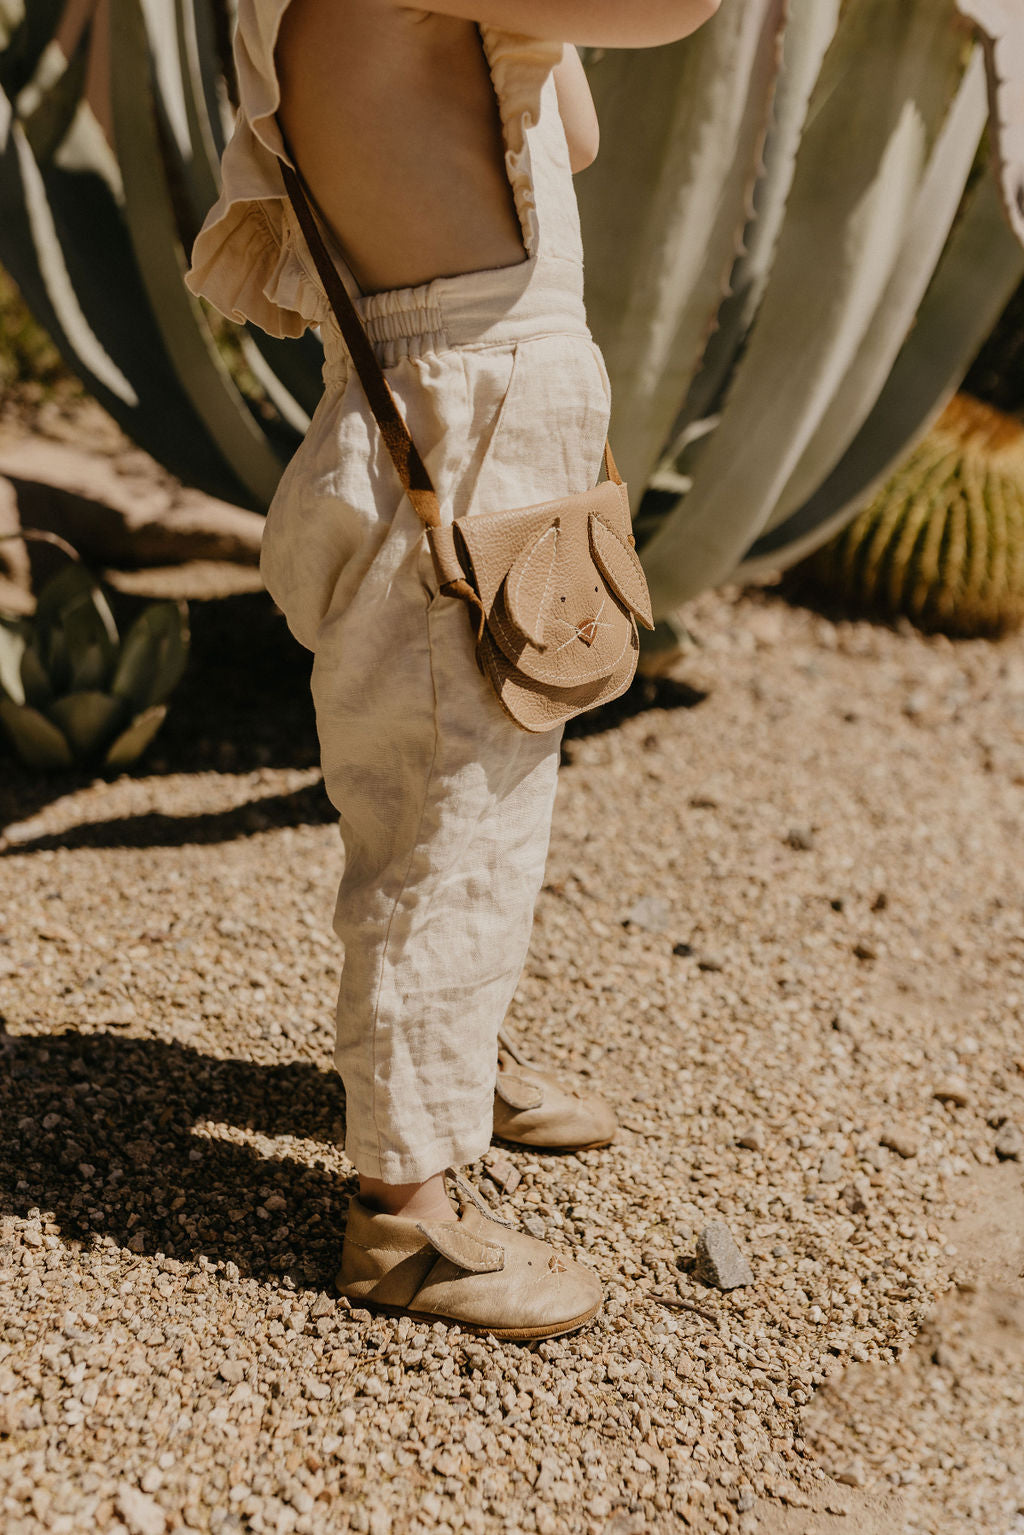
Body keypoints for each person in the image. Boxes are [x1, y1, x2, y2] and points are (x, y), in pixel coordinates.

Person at [187, 0, 720, 1340]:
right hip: (458, 419)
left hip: (476, 411)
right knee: (442, 820)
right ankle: (405, 1214)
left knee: (488, 796)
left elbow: (575, 134)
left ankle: (448, 1065)